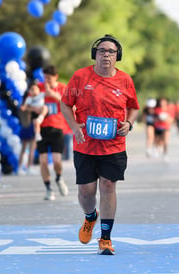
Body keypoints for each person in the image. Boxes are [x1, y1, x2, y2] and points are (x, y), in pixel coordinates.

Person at [60, 34, 140, 255]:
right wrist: (74, 127)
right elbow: (65, 104)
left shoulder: (125, 81)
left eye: (111, 51)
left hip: (114, 146)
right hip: (85, 145)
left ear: (117, 56)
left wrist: (128, 123)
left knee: (108, 185)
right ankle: (90, 216)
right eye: (102, 51)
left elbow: (134, 107)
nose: (106, 55)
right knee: (86, 192)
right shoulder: (80, 77)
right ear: (95, 54)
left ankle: (105, 238)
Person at [37, 65, 69, 201]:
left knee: (57, 160)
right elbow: (29, 102)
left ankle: (59, 177)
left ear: (55, 77)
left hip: (58, 128)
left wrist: (54, 95)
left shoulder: (62, 88)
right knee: (43, 161)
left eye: (49, 78)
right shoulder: (39, 87)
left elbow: (69, 105)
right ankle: (48, 188)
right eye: (44, 78)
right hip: (42, 128)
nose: (46, 81)